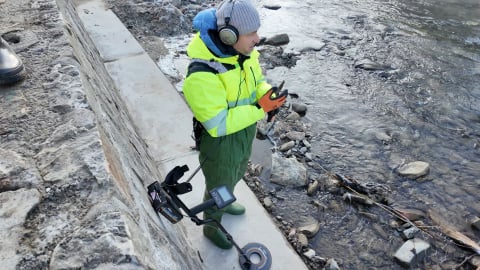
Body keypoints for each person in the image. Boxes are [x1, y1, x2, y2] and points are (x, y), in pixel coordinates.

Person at [182, 0, 287, 249]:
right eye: (251, 33)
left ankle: (226, 202)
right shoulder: (202, 75)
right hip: (220, 142)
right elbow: (218, 125)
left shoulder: (245, 55)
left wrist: (266, 94)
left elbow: (257, 81)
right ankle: (211, 224)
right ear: (228, 36)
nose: (258, 38)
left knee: (238, 171)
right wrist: (260, 108)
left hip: (243, 131)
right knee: (219, 183)